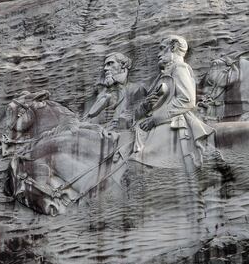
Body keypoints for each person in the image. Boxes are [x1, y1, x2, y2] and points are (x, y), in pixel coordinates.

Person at [132, 35, 214, 170]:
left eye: (162, 49)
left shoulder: (179, 68)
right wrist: (147, 105)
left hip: (171, 122)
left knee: (140, 160)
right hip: (152, 124)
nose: (158, 54)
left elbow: (187, 100)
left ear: (174, 47)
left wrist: (155, 119)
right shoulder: (163, 74)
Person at [84, 52, 146, 130]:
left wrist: (124, 121)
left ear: (123, 65)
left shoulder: (136, 89)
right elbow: (86, 120)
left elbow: (141, 116)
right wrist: (99, 117)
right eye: (105, 65)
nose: (105, 68)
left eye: (110, 63)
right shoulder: (101, 93)